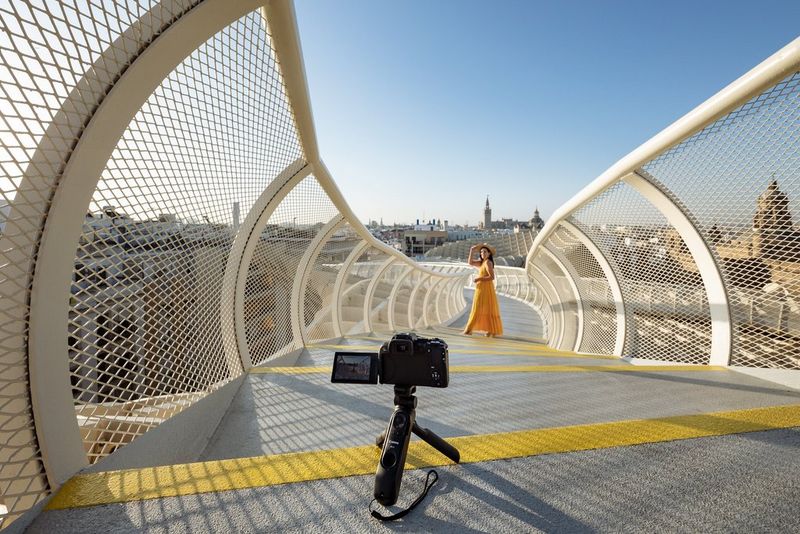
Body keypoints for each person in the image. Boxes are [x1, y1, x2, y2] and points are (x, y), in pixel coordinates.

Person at [462, 243, 503, 337]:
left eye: (484, 252)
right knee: (484, 308)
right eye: (481, 252)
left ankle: (469, 330)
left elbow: (492, 277)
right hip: (481, 288)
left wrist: (479, 279)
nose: (482, 253)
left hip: (486, 289)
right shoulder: (482, 263)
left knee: (478, 307)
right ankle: (490, 330)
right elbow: (470, 262)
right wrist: (472, 250)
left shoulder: (488, 262)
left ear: (489, 254)